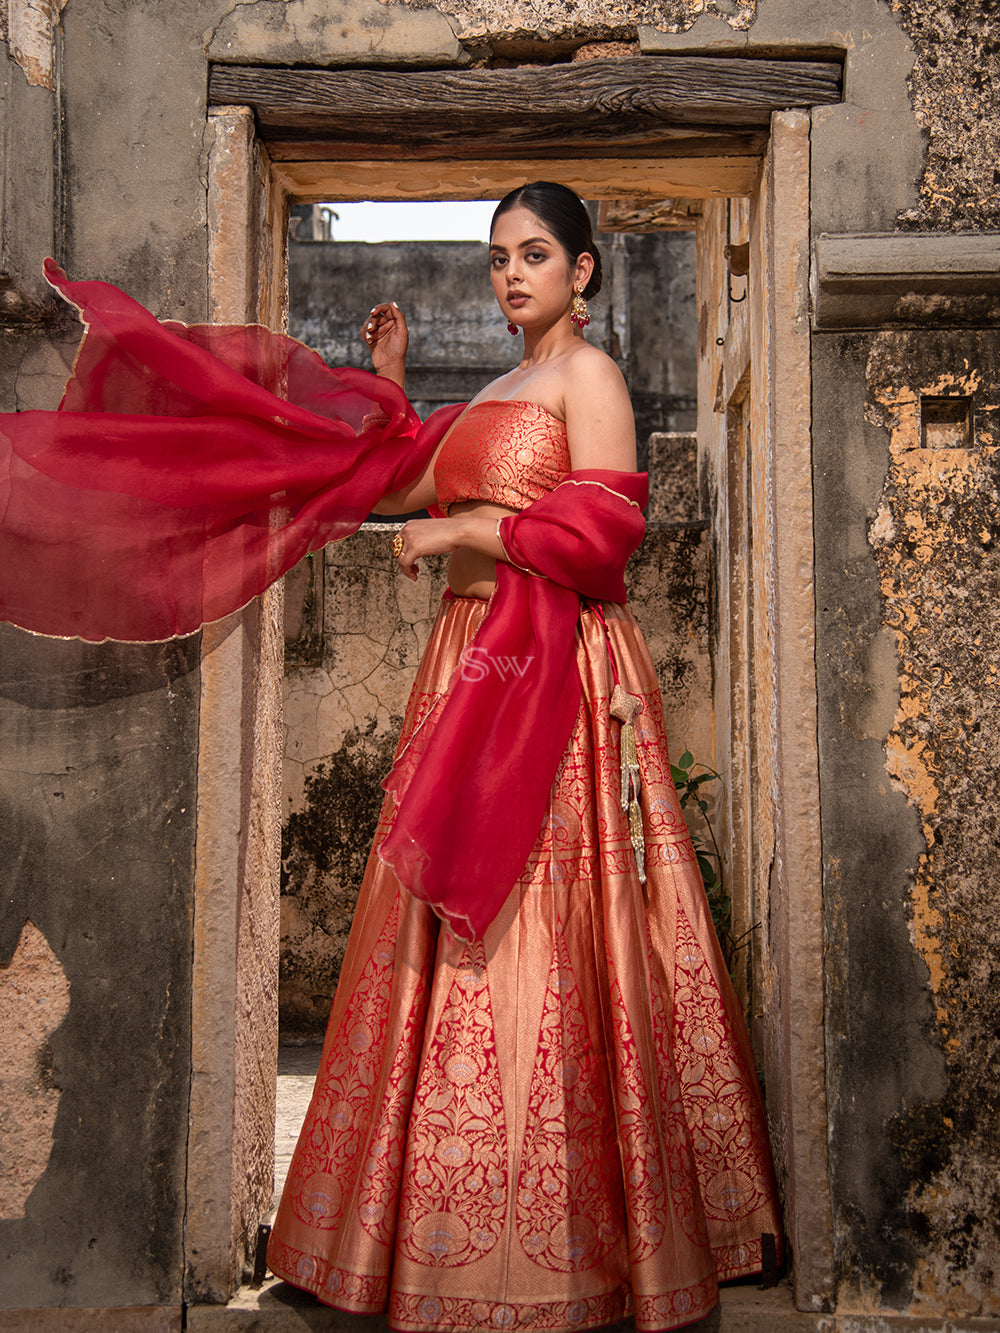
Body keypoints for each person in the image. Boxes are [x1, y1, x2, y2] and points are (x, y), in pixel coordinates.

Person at [264, 183, 784, 1331]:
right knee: (445, 924)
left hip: (555, 674)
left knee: (551, 928)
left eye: (535, 254)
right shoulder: (493, 390)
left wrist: (463, 531)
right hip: (469, 666)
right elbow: (388, 487)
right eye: (498, 255)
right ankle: (429, 1237)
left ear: (583, 272)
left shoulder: (585, 378)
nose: (511, 275)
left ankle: (579, 1247)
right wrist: (395, 391)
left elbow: (605, 536)